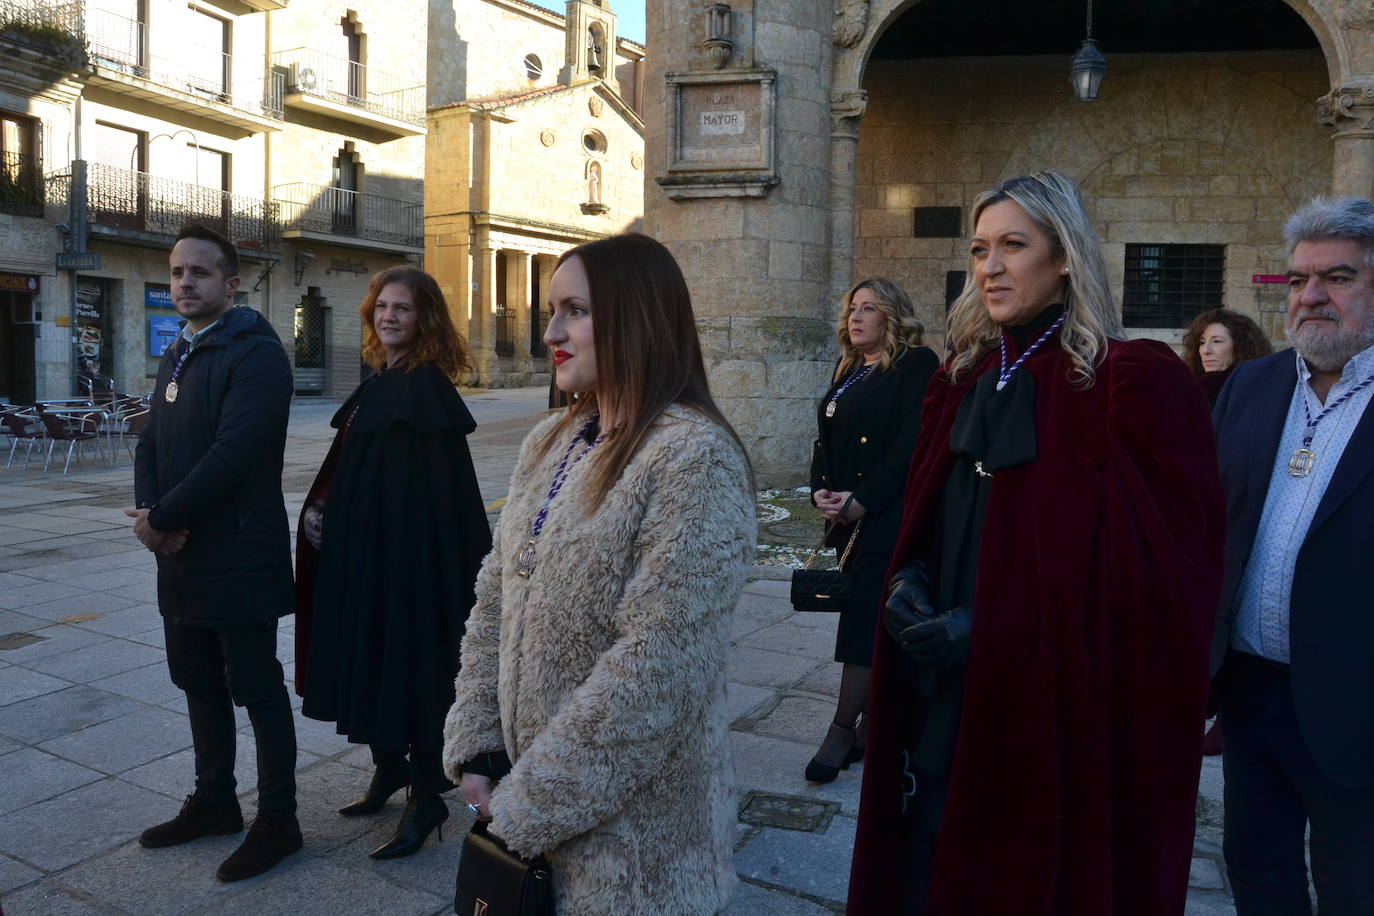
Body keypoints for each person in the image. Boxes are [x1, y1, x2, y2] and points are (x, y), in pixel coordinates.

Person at [847, 171, 1225, 915]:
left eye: (1013, 246)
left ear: (1063, 258)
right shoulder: (959, 381)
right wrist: (907, 582)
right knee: (930, 857)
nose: (990, 266)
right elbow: (935, 515)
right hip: (942, 687)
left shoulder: (1129, 382)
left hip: (1051, 711)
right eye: (981, 248)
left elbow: (1160, 584)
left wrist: (996, 630)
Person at [442, 233, 756, 914]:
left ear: (636, 316)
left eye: (575, 311)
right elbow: (493, 597)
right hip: (530, 814)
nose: (551, 330)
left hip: (638, 850)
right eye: (553, 310)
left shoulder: (692, 457)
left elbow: (657, 668)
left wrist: (529, 806)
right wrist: (480, 740)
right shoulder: (549, 439)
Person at [1209, 196, 1374, 916]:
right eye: (1299, 279)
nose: (1311, 297)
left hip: (1357, 707)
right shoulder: (1253, 383)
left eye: (1337, 278)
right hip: (1252, 695)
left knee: (1353, 889)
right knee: (1256, 870)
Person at [295, 266, 491, 859]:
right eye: (382, 306)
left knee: (412, 669)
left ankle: (426, 797)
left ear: (424, 317)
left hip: (408, 567)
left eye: (402, 308)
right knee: (371, 660)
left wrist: (403, 560)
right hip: (367, 559)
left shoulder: (425, 388)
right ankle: (392, 768)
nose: (389, 317)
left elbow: (430, 498)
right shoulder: (383, 377)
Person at [128, 223, 300, 881]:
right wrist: (152, 518)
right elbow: (150, 441)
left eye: (199, 272)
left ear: (231, 284)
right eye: (176, 272)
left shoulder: (254, 354)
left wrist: (163, 519)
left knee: (255, 687)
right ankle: (214, 801)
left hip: (238, 553)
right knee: (196, 680)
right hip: (182, 554)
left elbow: (234, 455)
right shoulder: (179, 353)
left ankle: (279, 821)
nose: (184, 283)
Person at [806, 278, 937, 783]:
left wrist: (863, 500)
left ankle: (842, 730)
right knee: (871, 621)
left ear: (892, 316)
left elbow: (913, 443)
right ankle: (870, 728)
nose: (855, 318)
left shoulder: (915, 364)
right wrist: (820, 489)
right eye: (852, 309)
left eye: (868, 309)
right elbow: (826, 439)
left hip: (889, 516)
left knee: (863, 620)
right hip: (848, 516)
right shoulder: (849, 368)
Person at [1182, 307, 1273, 405]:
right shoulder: (1188, 388)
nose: (1205, 350)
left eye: (1216, 341)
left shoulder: (1258, 391)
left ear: (1240, 346)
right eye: (1202, 342)